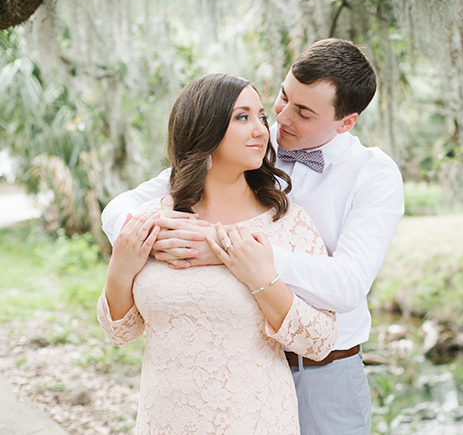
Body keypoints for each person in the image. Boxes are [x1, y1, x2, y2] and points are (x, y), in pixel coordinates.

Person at [101, 38, 405, 435]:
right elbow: (123, 207)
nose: (281, 118)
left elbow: (347, 285)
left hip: (323, 373)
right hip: (237, 368)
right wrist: (156, 240)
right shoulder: (243, 145)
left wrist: (231, 250)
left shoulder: (373, 174)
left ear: (345, 122)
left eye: (303, 112)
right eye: (282, 98)